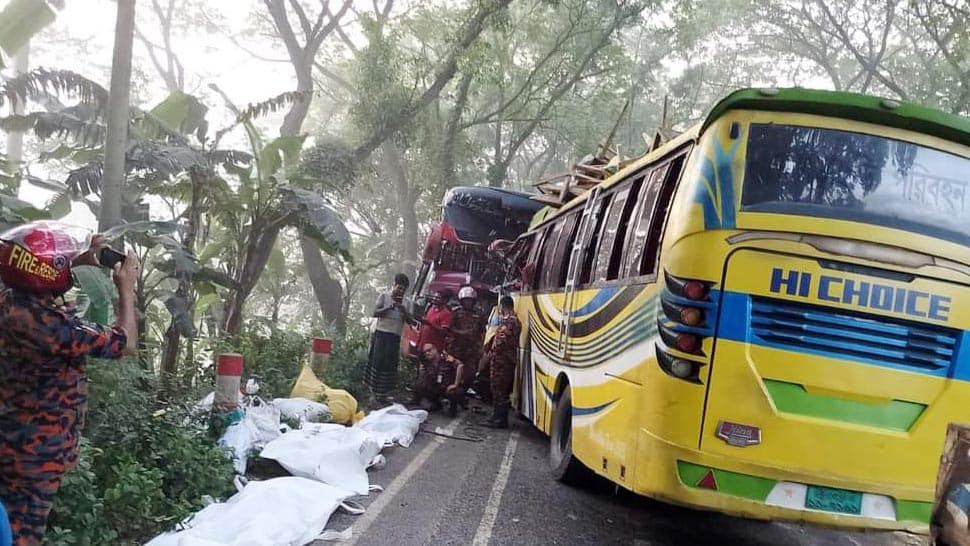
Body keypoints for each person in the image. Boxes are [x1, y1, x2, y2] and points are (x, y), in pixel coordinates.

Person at [0, 222, 138, 545]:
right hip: (35, 459)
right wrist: (126, 291)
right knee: (22, 536)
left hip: (8, 442)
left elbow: (30, 267)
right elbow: (126, 343)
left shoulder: (8, 303)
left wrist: (79, 258)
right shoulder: (54, 327)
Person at [364, 273, 412, 404]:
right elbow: (374, 313)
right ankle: (372, 393)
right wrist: (389, 307)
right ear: (394, 285)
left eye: (403, 289)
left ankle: (384, 394)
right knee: (377, 361)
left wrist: (403, 310)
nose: (401, 291)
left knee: (389, 364)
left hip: (395, 336)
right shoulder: (384, 296)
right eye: (399, 288)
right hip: (381, 333)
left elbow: (411, 321)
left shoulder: (407, 302)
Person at [483, 296, 521, 429]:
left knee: (500, 390)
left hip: (503, 362)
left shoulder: (511, 322)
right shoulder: (508, 321)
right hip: (500, 361)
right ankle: (496, 416)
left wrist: (492, 351)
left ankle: (500, 419)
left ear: (502, 306)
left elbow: (501, 342)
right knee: (497, 389)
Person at [447, 286, 485, 403]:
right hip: (457, 348)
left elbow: (482, 331)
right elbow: (450, 328)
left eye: (470, 300)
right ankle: (451, 395)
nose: (468, 302)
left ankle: (462, 394)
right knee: (453, 372)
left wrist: (481, 346)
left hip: (472, 349)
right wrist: (461, 333)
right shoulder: (456, 312)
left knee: (470, 374)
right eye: (465, 300)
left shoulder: (479, 314)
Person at [412, 343, 465, 416]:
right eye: (425, 352)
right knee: (422, 384)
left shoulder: (446, 358)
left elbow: (460, 366)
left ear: (435, 350)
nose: (427, 353)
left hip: (449, 387)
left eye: (429, 350)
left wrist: (456, 384)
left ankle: (454, 407)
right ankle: (436, 403)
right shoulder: (427, 362)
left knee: (454, 392)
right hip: (437, 387)